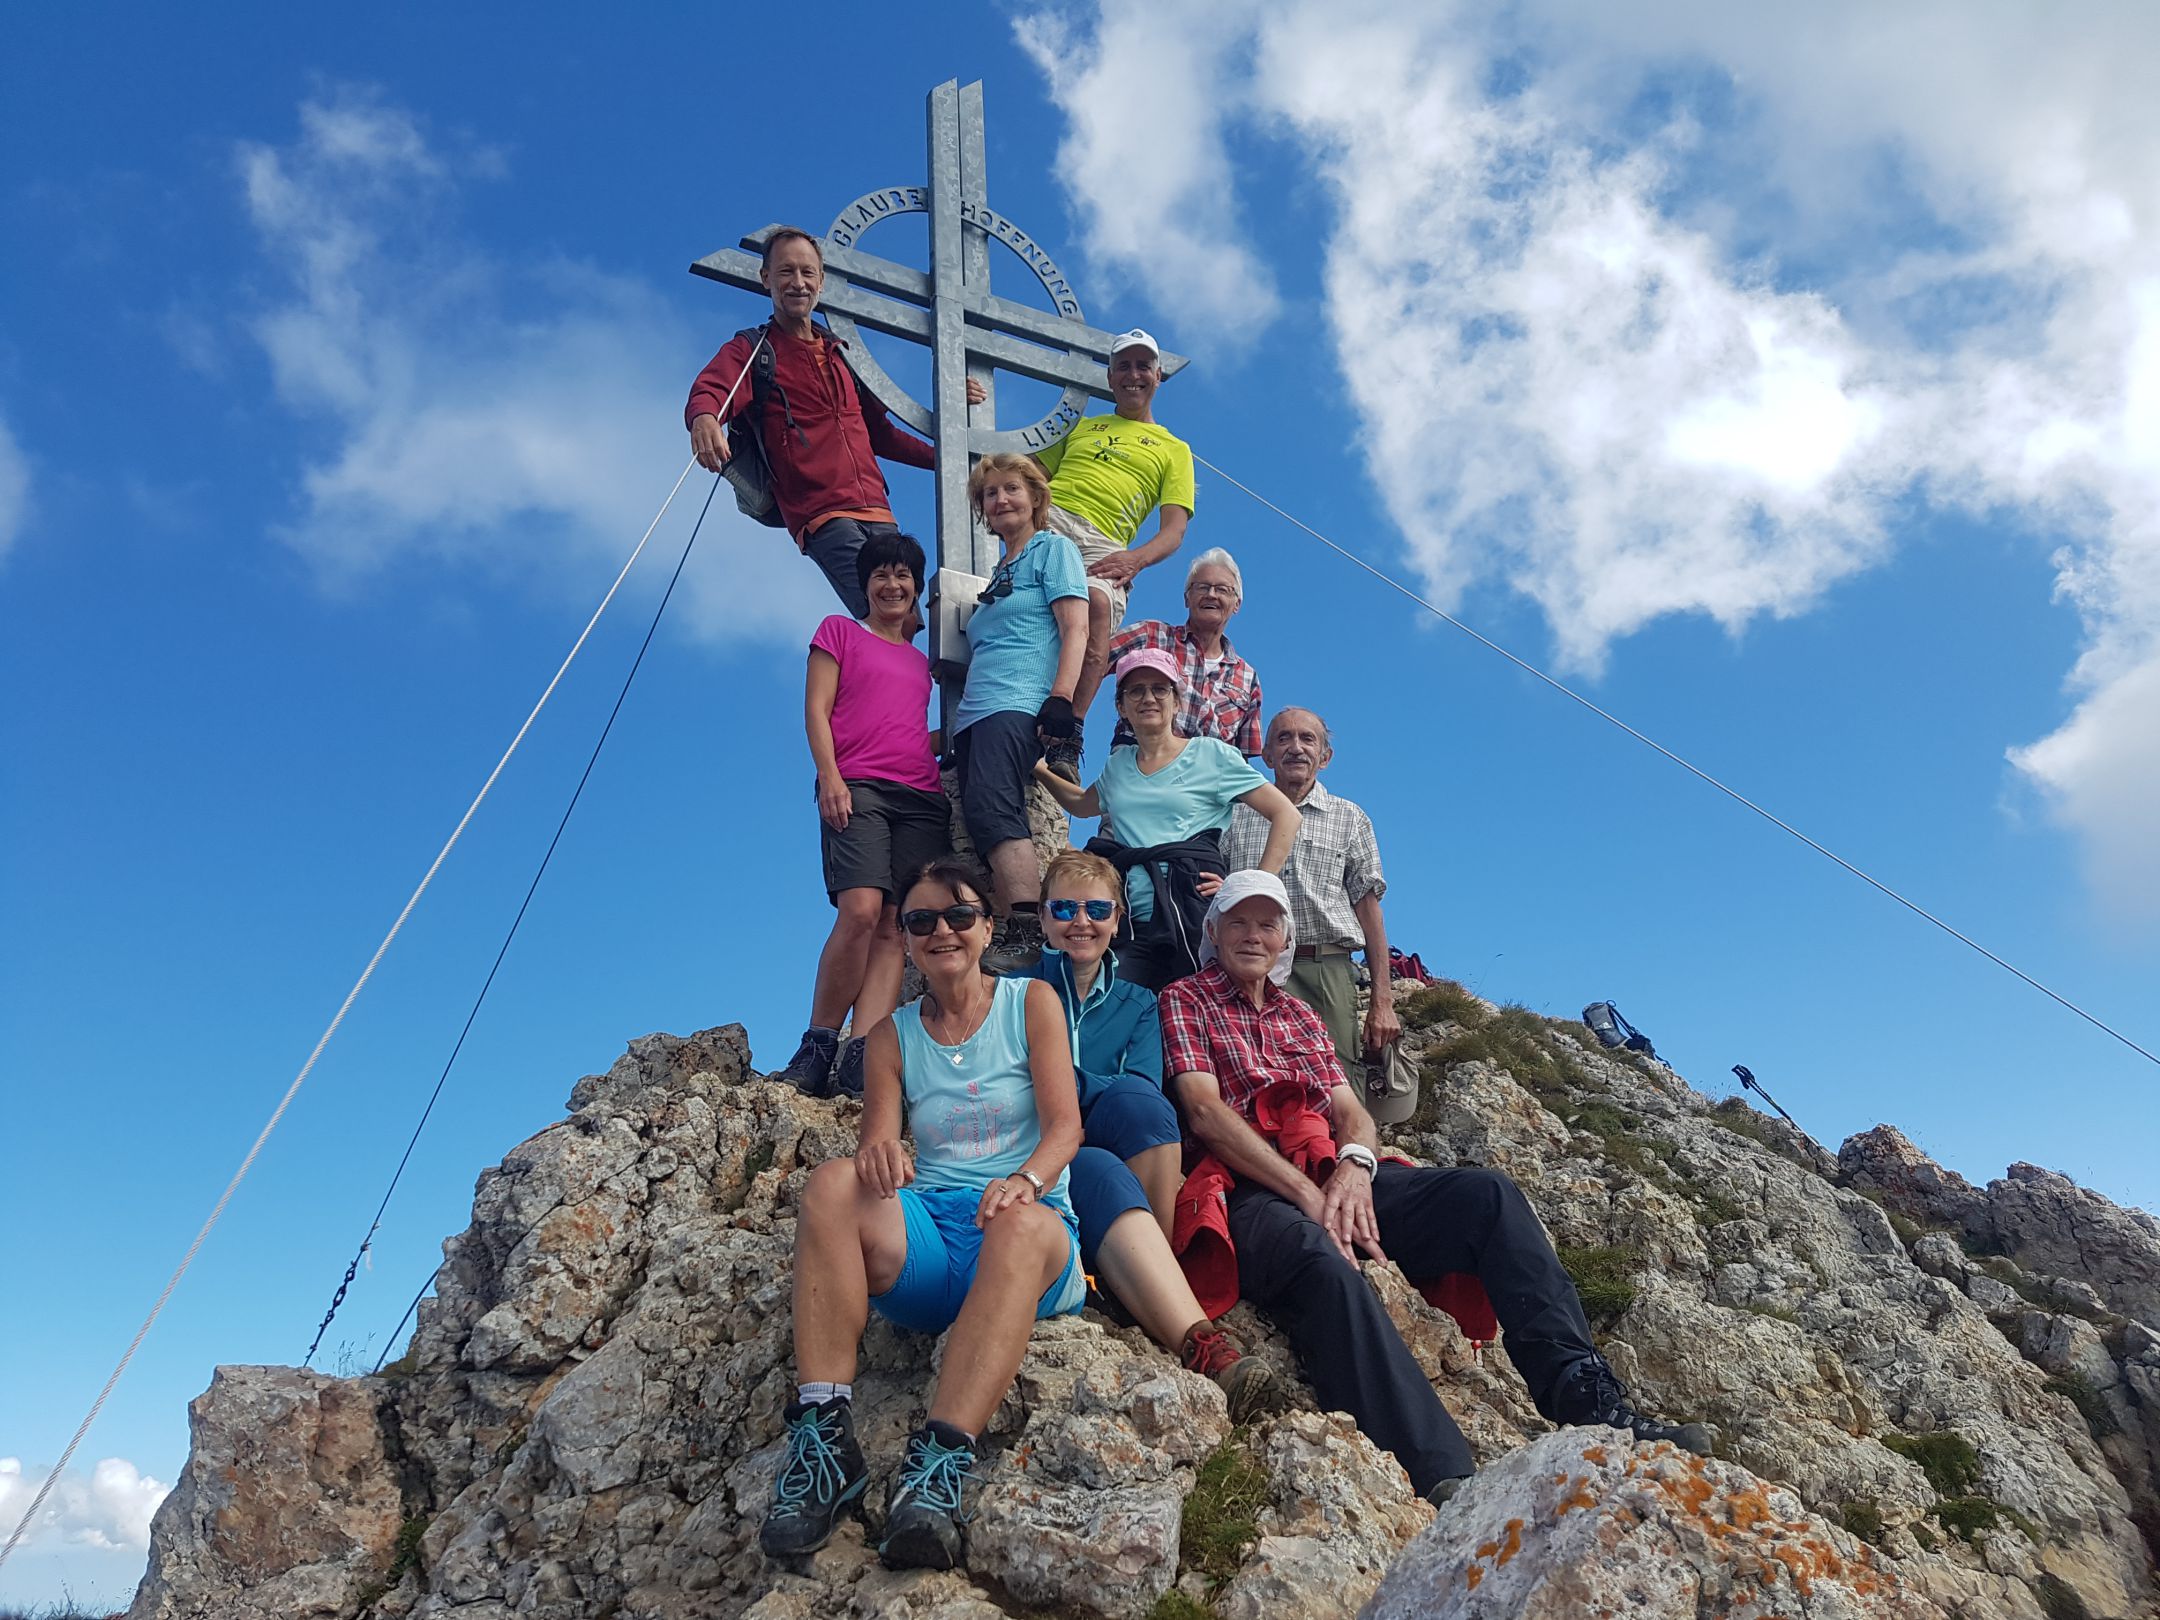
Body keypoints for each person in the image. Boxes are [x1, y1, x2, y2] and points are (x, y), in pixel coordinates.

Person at [1159, 872, 1713, 1504]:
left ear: (1285, 936)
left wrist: (1356, 1166)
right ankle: (1441, 1472)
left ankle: (1582, 1396)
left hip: (1327, 1169)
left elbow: (1350, 1111)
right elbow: (1205, 1112)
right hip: (1248, 1187)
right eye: (1237, 922)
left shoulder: (1299, 1015)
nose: (1252, 936)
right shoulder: (1186, 998)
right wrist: (1306, 1195)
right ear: (1213, 931)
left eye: (1267, 924)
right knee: (1320, 1260)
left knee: (1488, 1197)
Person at [759, 860, 1085, 1572]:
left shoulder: (1030, 1003)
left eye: (959, 915)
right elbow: (878, 1134)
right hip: (935, 1239)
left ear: (988, 927)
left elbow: (1066, 1128)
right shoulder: (891, 1036)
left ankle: (938, 1466)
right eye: (921, 920)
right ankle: (824, 1440)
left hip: (1028, 1232)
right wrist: (880, 1156)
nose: (942, 930)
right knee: (832, 1185)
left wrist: (1025, 1180)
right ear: (905, 940)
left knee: (1023, 1226)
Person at [1024, 850, 1279, 1419]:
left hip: (1103, 1140)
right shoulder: (1014, 990)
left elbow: (1137, 1086)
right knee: (1104, 1166)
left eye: (1097, 909)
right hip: (1036, 1147)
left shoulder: (1140, 1001)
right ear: (1042, 918)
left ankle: (1167, 1304)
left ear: (1118, 920)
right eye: (1064, 908)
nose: (1080, 922)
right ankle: (1191, 1332)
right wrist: (1072, 1089)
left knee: (1142, 1104)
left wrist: (1062, 1079)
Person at [685, 227, 985, 617]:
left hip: (878, 509)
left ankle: (891, 679)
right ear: (765, 279)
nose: (798, 283)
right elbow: (712, 389)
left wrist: (950, 456)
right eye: (786, 272)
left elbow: (883, 435)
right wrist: (704, 418)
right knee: (884, 612)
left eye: (808, 273)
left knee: (908, 621)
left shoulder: (844, 353)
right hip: (822, 512)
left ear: (821, 281)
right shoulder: (755, 349)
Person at [774, 533, 949, 1098]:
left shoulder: (922, 665)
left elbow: (900, 727)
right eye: (880, 575)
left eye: (902, 576)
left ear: (916, 587)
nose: (891, 585)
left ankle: (861, 1052)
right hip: (859, 787)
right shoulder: (839, 632)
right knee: (860, 910)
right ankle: (819, 1041)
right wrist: (829, 776)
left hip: (921, 797)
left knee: (896, 928)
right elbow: (817, 710)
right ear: (866, 585)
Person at [1034, 650, 1299, 991]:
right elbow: (1083, 804)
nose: (1148, 698)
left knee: (1199, 1019)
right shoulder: (1119, 764)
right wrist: (1038, 769)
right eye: (1136, 691)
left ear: (1176, 702)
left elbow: (1285, 815)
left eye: (1160, 689)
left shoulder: (1210, 755)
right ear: (1121, 707)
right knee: (1122, 1008)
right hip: (1130, 921)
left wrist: (1248, 888)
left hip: (1193, 915)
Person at [1220, 707, 1405, 1119]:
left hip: (1324, 968)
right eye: (1284, 739)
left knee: (1337, 1080)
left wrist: (1383, 999)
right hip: (1252, 968)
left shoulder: (1350, 818)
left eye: (1308, 739)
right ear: (1266, 754)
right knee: (1253, 1074)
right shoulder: (1236, 814)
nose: (1295, 748)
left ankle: (1354, 1175)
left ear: (1325, 756)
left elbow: (1369, 911)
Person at [1035, 329, 1196, 777]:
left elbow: (1175, 530)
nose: (1134, 375)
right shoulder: (1082, 425)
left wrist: (1135, 559)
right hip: (1053, 517)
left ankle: (1068, 734)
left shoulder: (1174, 449)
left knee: (1099, 607)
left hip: (1107, 541)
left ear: (1158, 376)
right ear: (1109, 377)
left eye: (1143, 366)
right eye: (1123, 366)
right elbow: (1029, 471)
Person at [953, 453, 1088, 969]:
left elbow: (1075, 628)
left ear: (1035, 497)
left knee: (994, 808)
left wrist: (1061, 700)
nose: (1001, 499)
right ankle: (1015, 924)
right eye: (990, 494)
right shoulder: (997, 573)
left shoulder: (1052, 551)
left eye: (1011, 489)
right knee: (981, 816)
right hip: (975, 714)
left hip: (1019, 701)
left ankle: (1030, 931)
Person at [1106, 549, 1264, 757]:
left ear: (1237, 604)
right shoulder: (1151, 635)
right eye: (1202, 587)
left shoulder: (1247, 677)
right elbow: (1092, 659)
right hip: (1140, 762)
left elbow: (1243, 755)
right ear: (1186, 599)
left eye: (1222, 589)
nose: (1211, 595)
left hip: (1205, 779)